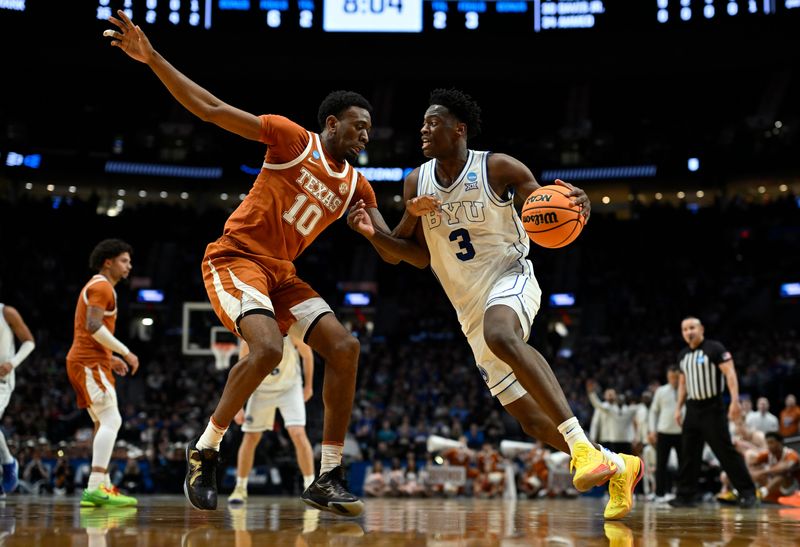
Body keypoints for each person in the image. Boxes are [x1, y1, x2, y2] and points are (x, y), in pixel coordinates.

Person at [103, 10, 419, 514]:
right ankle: (205, 450)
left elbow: (395, 255)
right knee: (268, 348)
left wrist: (410, 221)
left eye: (370, 131)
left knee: (345, 347)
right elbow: (209, 107)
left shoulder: (358, 187)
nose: (366, 136)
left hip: (282, 275)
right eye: (359, 127)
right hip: (236, 259)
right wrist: (153, 58)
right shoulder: (292, 139)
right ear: (332, 123)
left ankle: (327, 475)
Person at [347, 88, 642, 520]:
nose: (424, 130)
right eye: (423, 124)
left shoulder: (498, 167)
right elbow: (409, 255)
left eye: (434, 123)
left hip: (511, 277)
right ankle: (618, 464)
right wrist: (378, 231)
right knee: (531, 422)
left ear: (459, 129)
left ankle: (580, 447)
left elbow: (547, 207)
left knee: (500, 332)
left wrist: (580, 206)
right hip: (466, 307)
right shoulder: (416, 180)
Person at [66, 239, 139, 507]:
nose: (129, 266)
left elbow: (93, 331)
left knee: (102, 423)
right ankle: (95, 486)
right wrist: (125, 352)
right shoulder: (101, 286)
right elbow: (93, 325)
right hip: (88, 362)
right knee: (112, 420)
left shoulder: (101, 286)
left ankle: (104, 487)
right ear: (108, 262)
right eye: (124, 260)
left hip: (95, 361)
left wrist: (110, 358)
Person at [669, 316, 757, 507]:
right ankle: (686, 495)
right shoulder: (683, 355)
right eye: (684, 329)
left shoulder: (715, 348)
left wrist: (734, 401)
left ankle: (748, 492)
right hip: (692, 408)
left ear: (701, 329)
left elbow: (730, 373)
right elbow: (683, 384)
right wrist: (678, 408)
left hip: (712, 407)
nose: (688, 332)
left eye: (692, 328)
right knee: (689, 453)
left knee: (724, 451)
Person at [228, 335, 315, 504]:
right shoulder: (249, 338)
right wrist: (238, 405)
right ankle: (240, 487)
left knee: (297, 433)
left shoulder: (291, 331)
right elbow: (241, 372)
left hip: (289, 387)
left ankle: (311, 487)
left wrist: (309, 386)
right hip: (260, 389)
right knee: (251, 437)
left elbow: (308, 355)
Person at [0, 302, 35, 496]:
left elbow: (29, 341)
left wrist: (12, 363)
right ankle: (7, 463)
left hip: (2, 381)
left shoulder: (7, 312)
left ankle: (7, 462)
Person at [719, 432, 799, 504]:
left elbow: (783, 468)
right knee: (754, 471)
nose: (769, 446)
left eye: (772, 443)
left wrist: (762, 472)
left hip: (792, 488)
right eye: (767, 443)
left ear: (780, 443)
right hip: (775, 488)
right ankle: (739, 492)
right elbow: (752, 463)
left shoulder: (792, 455)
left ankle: (760, 493)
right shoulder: (768, 454)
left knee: (781, 475)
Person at [648, 366, 682, 501]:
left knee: (683, 464)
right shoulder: (661, 391)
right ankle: (659, 493)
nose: (674, 380)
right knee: (661, 464)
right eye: (671, 377)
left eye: (676, 377)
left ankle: (682, 493)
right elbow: (653, 411)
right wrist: (652, 430)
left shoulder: (687, 390)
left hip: (681, 432)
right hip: (663, 431)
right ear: (668, 377)